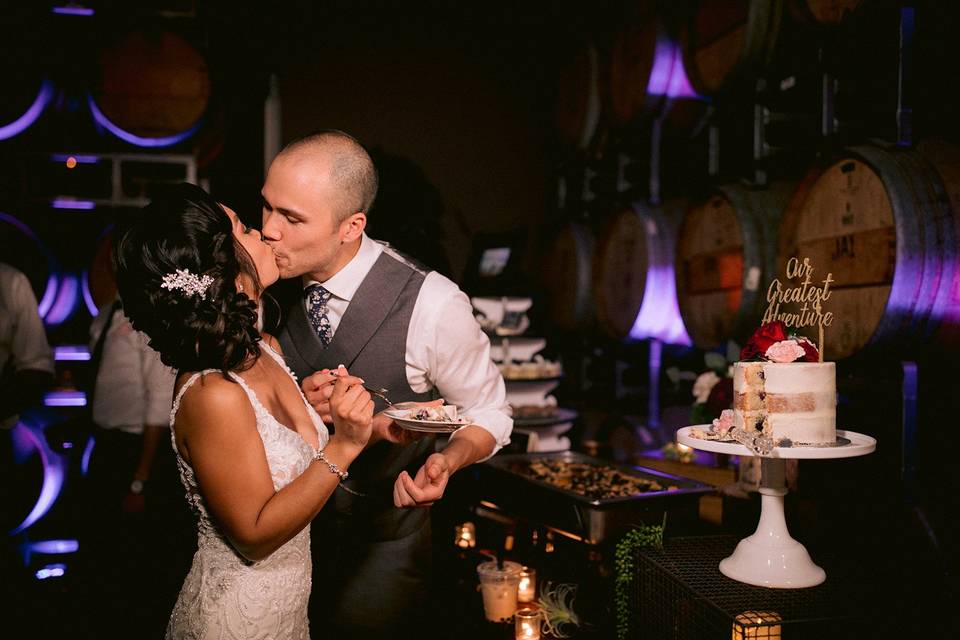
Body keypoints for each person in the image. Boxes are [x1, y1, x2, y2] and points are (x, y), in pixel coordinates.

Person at [261, 130, 513, 638]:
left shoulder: (433, 304)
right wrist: (295, 404)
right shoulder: (268, 283)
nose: (269, 231)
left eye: (292, 218)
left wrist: (448, 458)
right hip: (280, 545)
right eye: (266, 208)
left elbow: (489, 413)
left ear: (352, 225)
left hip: (380, 549)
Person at [113, 183, 374, 639]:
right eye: (249, 229)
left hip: (289, 611)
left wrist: (354, 420)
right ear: (228, 271)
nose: (269, 235)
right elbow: (254, 535)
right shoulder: (212, 393)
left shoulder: (266, 349)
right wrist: (346, 446)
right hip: (235, 620)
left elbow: (275, 448)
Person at [79, 293, 191, 637]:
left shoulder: (151, 316)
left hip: (138, 450)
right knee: (99, 548)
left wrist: (140, 480)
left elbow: (159, 405)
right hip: (104, 444)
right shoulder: (106, 313)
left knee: (132, 557)